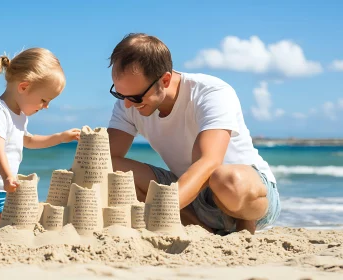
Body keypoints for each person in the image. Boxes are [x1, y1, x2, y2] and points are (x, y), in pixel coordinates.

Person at [106, 33, 281, 234]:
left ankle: (244, 230)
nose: (127, 104)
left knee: (225, 178)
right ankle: (206, 231)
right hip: (190, 197)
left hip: (244, 194)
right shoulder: (128, 101)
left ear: (165, 80)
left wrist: (164, 209)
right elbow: (105, 160)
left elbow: (208, 162)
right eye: (120, 94)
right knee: (108, 166)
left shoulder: (211, 92)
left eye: (135, 97)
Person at [0, 48, 80, 238]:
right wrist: (7, 176)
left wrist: (60, 137)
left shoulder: (20, 116)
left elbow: (28, 140)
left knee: (4, 232)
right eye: (44, 100)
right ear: (24, 87)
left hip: (3, 190)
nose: (46, 106)